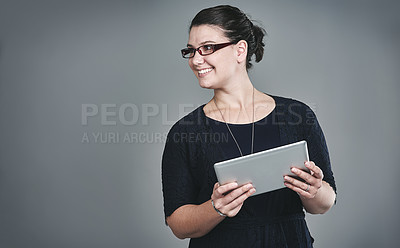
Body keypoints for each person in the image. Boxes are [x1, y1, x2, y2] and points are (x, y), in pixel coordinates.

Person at [162, 5, 336, 248]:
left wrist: (315, 189)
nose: (195, 60)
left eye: (208, 48)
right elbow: (177, 223)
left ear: (240, 50)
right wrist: (215, 209)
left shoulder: (297, 116)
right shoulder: (185, 132)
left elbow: (325, 203)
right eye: (191, 51)